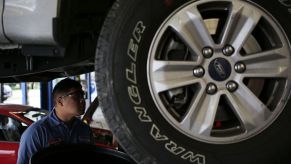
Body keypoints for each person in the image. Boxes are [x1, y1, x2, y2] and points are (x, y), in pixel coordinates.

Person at [17, 78, 94, 164]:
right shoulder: (36, 133)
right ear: (60, 101)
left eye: (83, 95)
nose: (82, 100)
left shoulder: (85, 129)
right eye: (77, 96)